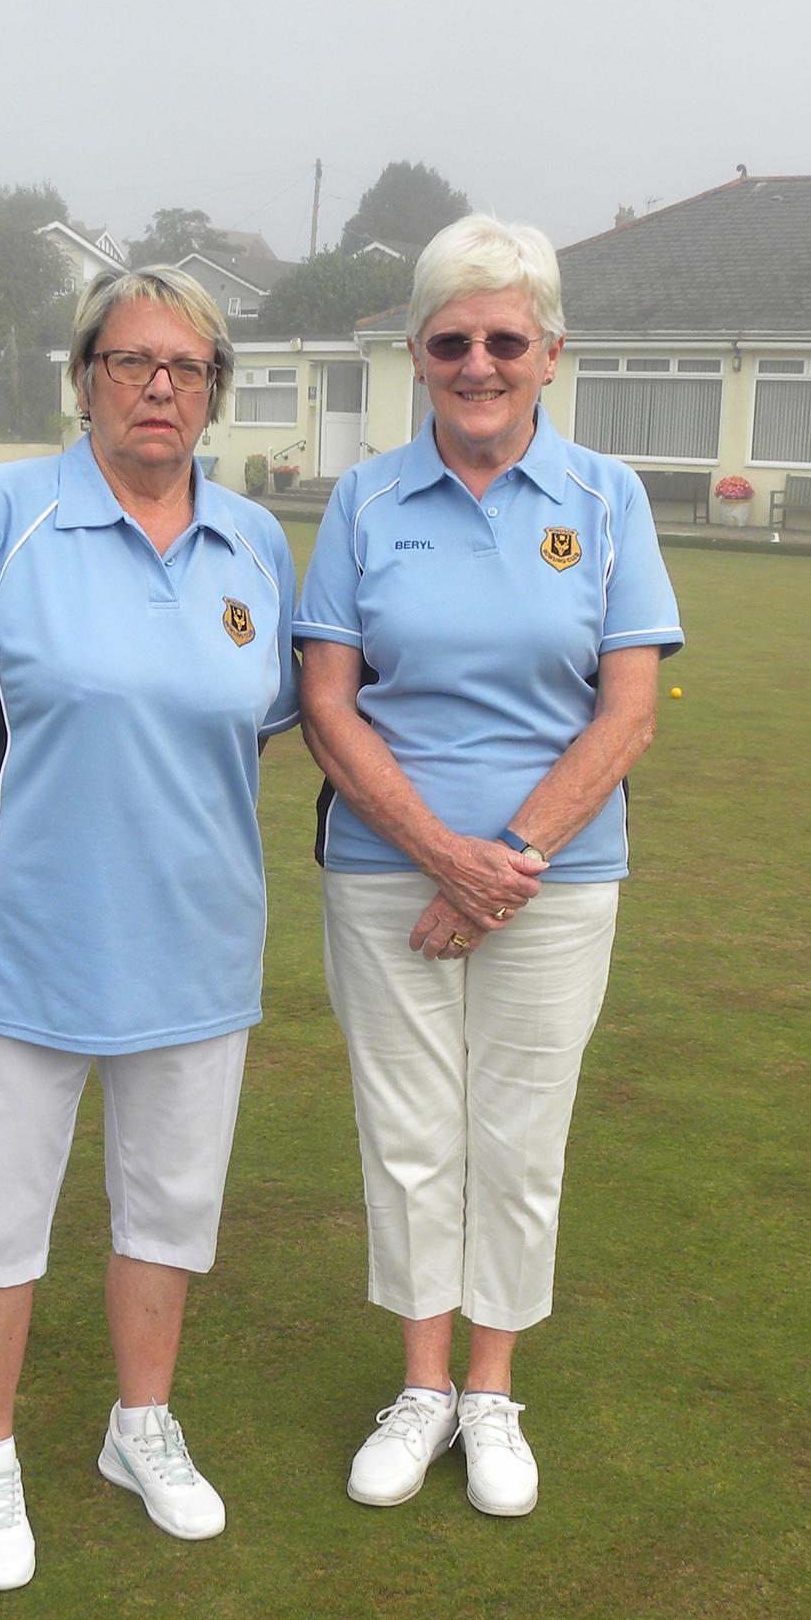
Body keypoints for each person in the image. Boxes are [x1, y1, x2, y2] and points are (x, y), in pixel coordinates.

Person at [0, 266, 300, 1592]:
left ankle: (138, 1428)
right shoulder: (2, 513)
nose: (159, 385)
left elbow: (246, 732)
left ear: (214, 392)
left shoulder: (257, 546)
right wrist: (22, 794)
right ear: (84, 374)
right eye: (131, 360)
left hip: (196, 947)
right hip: (20, 942)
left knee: (168, 1210)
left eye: (188, 366)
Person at [295, 215, 683, 1518]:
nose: (478, 363)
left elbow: (626, 712)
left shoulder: (606, 499)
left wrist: (507, 861)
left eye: (504, 340)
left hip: (555, 880)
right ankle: (421, 1387)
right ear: (417, 354)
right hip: (383, 869)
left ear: (550, 354)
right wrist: (439, 857)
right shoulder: (365, 499)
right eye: (452, 340)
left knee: (519, 1142)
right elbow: (330, 701)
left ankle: (494, 1392)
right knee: (409, 1138)